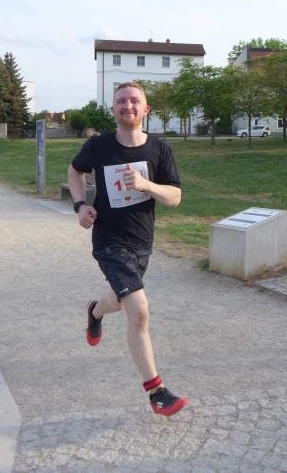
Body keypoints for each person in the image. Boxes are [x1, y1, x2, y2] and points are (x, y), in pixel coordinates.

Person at [68, 82, 187, 417]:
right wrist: (80, 205)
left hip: (142, 243)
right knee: (139, 310)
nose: (128, 105)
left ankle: (95, 311)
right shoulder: (99, 146)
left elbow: (175, 197)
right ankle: (156, 392)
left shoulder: (159, 149)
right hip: (109, 242)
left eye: (135, 101)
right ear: (113, 110)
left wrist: (147, 185)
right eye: (121, 101)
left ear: (146, 109)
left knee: (120, 301)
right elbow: (75, 171)